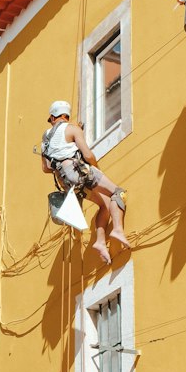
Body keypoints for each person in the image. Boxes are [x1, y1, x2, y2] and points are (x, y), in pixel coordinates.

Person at [40, 101, 128, 264]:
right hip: (79, 170)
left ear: (53, 117)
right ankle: (117, 229)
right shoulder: (72, 129)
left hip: (67, 182)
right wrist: (96, 169)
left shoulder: (45, 138)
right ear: (65, 115)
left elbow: (46, 168)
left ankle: (101, 242)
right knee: (117, 192)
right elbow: (87, 154)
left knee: (105, 204)